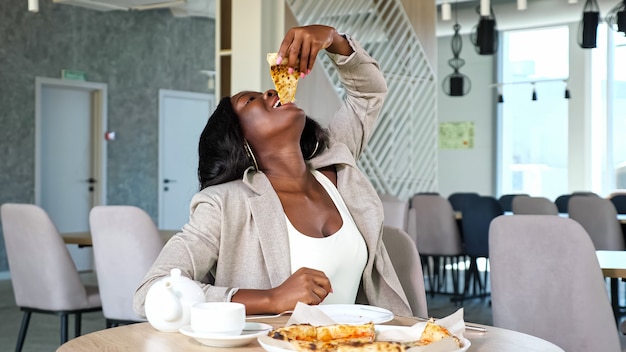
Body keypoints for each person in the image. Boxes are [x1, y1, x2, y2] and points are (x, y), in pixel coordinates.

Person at [133, 24, 412, 317]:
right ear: (239, 140)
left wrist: (333, 39)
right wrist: (271, 299)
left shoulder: (335, 162)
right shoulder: (223, 204)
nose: (269, 90)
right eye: (249, 100)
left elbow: (368, 93)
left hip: (358, 343)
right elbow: (151, 292)